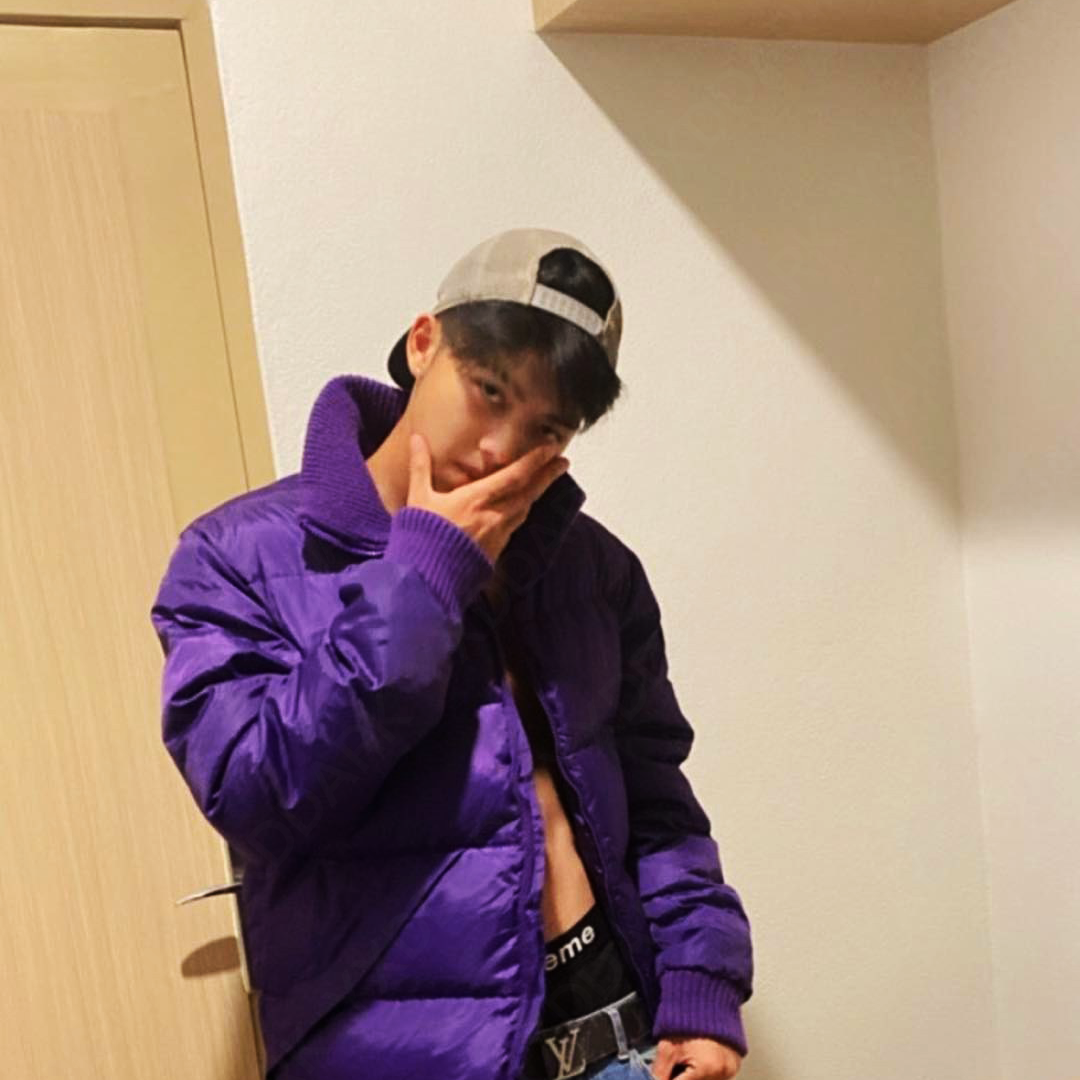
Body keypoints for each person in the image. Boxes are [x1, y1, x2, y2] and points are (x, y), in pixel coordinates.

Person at [150, 227, 754, 1080]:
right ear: (424, 343)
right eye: (489, 390)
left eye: (544, 427)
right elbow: (256, 797)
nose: (501, 447)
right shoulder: (234, 557)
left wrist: (702, 982)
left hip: (626, 1044)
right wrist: (422, 579)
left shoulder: (592, 569)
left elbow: (658, 801)